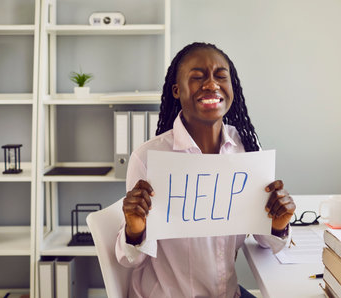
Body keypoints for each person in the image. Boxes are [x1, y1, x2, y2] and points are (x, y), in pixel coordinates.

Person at [116, 42, 296, 298]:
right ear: (176, 91)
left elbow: (266, 241)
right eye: (198, 77)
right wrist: (134, 230)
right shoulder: (148, 158)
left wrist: (277, 224)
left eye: (221, 76)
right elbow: (130, 261)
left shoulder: (247, 148)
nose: (211, 84)